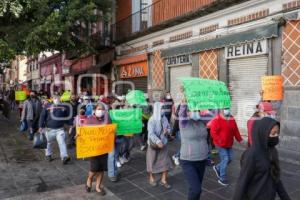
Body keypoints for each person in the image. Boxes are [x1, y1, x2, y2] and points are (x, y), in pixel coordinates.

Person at [233, 118, 291, 200]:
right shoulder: (251, 155)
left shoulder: (272, 151)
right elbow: (242, 182)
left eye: (277, 133)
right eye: (273, 133)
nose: (276, 136)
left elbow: (276, 178)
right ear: (263, 133)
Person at [178, 104, 209, 200]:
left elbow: (214, 113)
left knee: (197, 188)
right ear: (188, 112)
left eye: (197, 110)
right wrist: (183, 104)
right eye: (193, 110)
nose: (196, 112)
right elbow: (182, 114)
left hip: (202, 159)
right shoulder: (184, 122)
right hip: (188, 160)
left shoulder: (202, 121)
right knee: (196, 189)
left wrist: (220, 98)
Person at [79, 103, 110, 195]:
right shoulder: (89, 120)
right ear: (95, 110)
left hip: (104, 148)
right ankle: (89, 179)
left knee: (101, 169)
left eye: (102, 109)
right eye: (99, 109)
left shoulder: (107, 119)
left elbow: (111, 130)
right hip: (93, 149)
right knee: (94, 168)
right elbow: (83, 131)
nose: (100, 111)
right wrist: (79, 135)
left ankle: (98, 186)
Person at [209, 108, 246, 186]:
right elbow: (213, 133)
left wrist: (240, 140)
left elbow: (235, 130)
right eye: (225, 108)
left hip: (229, 143)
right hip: (220, 144)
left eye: (228, 108)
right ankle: (222, 178)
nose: (227, 110)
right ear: (221, 109)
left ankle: (218, 168)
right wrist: (219, 141)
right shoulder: (217, 119)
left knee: (230, 159)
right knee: (225, 159)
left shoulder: (232, 118)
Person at [146, 102, 173, 189]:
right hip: (154, 144)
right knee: (152, 161)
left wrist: (167, 131)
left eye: (164, 108)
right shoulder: (152, 120)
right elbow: (151, 134)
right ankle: (151, 178)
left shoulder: (164, 118)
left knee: (165, 161)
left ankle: (163, 180)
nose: (163, 110)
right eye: (162, 108)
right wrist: (158, 141)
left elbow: (169, 127)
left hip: (164, 143)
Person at [38, 95, 71, 164]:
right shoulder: (47, 107)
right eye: (55, 98)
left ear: (60, 99)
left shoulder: (64, 107)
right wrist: (40, 126)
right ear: (52, 99)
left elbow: (67, 118)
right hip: (49, 129)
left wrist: (71, 124)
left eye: (58, 98)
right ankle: (48, 155)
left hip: (60, 129)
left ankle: (64, 157)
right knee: (48, 143)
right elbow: (42, 116)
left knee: (62, 143)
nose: (56, 99)